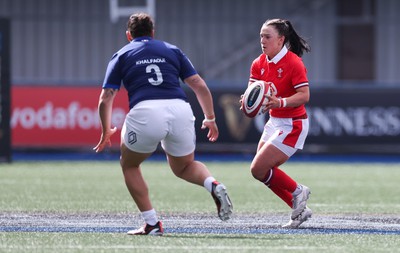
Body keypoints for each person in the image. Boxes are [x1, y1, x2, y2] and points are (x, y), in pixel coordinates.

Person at [93, 13, 232, 236]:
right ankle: (212, 184)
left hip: (146, 111)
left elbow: (105, 98)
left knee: (129, 165)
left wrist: (105, 130)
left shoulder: (121, 54)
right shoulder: (171, 49)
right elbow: (199, 85)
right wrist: (210, 118)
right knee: (184, 166)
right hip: (180, 109)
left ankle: (152, 223)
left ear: (129, 35)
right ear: (153, 33)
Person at [244, 18, 312, 228]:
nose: (262, 40)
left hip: (293, 124)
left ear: (281, 39)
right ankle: (299, 211)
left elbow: (304, 95)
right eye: (261, 36)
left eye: (267, 36)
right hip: (274, 122)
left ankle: (298, 190)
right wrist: (246, 100)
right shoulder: (258, 63)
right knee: (261, 172)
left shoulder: (293, 63)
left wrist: (279, 101)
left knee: (258, 168)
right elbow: (251, 93)